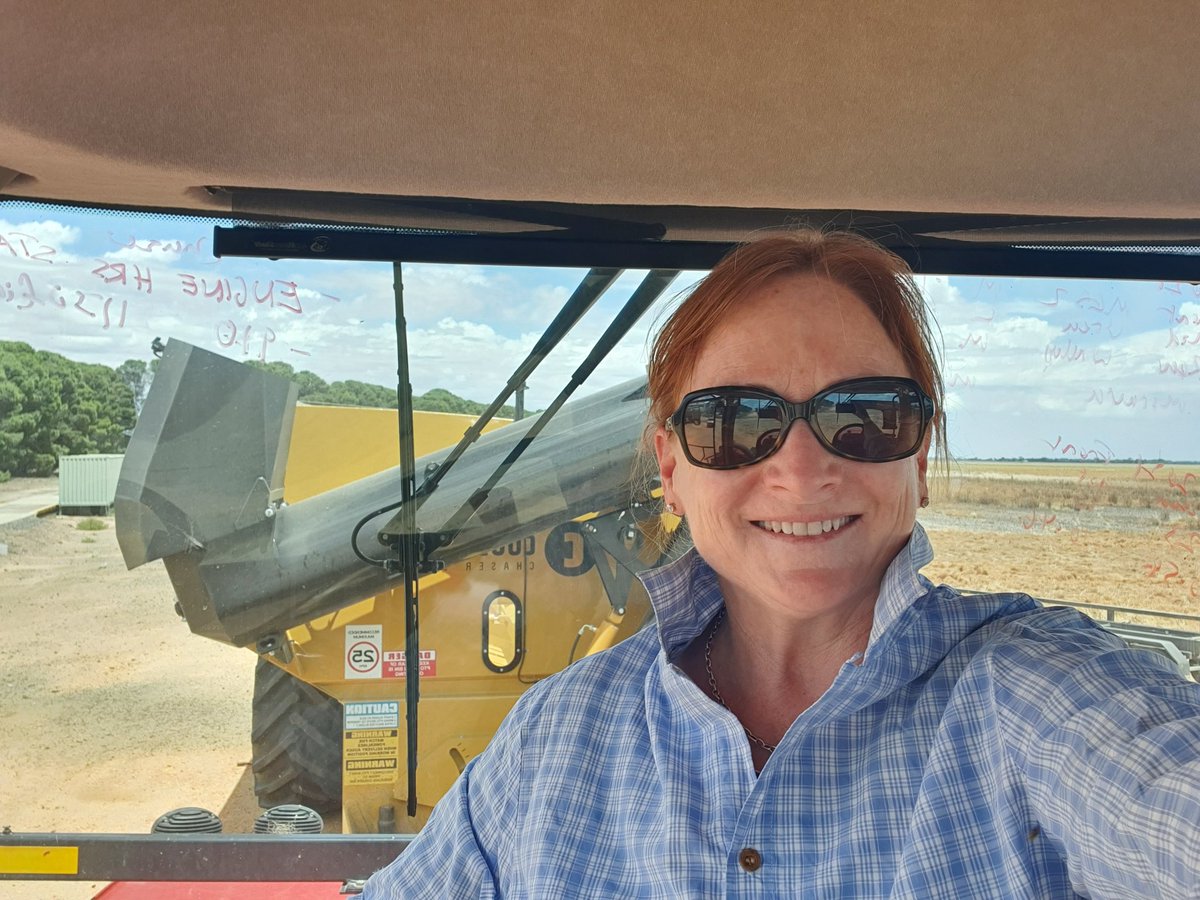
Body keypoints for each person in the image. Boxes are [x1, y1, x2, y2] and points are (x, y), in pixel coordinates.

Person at [363, 231, 1200, 898]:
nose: (801, 471)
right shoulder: (554, 740)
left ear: (918, 457)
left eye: (865, 415)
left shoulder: (1031, 694)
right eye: (735, 422)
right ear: (671, 467)